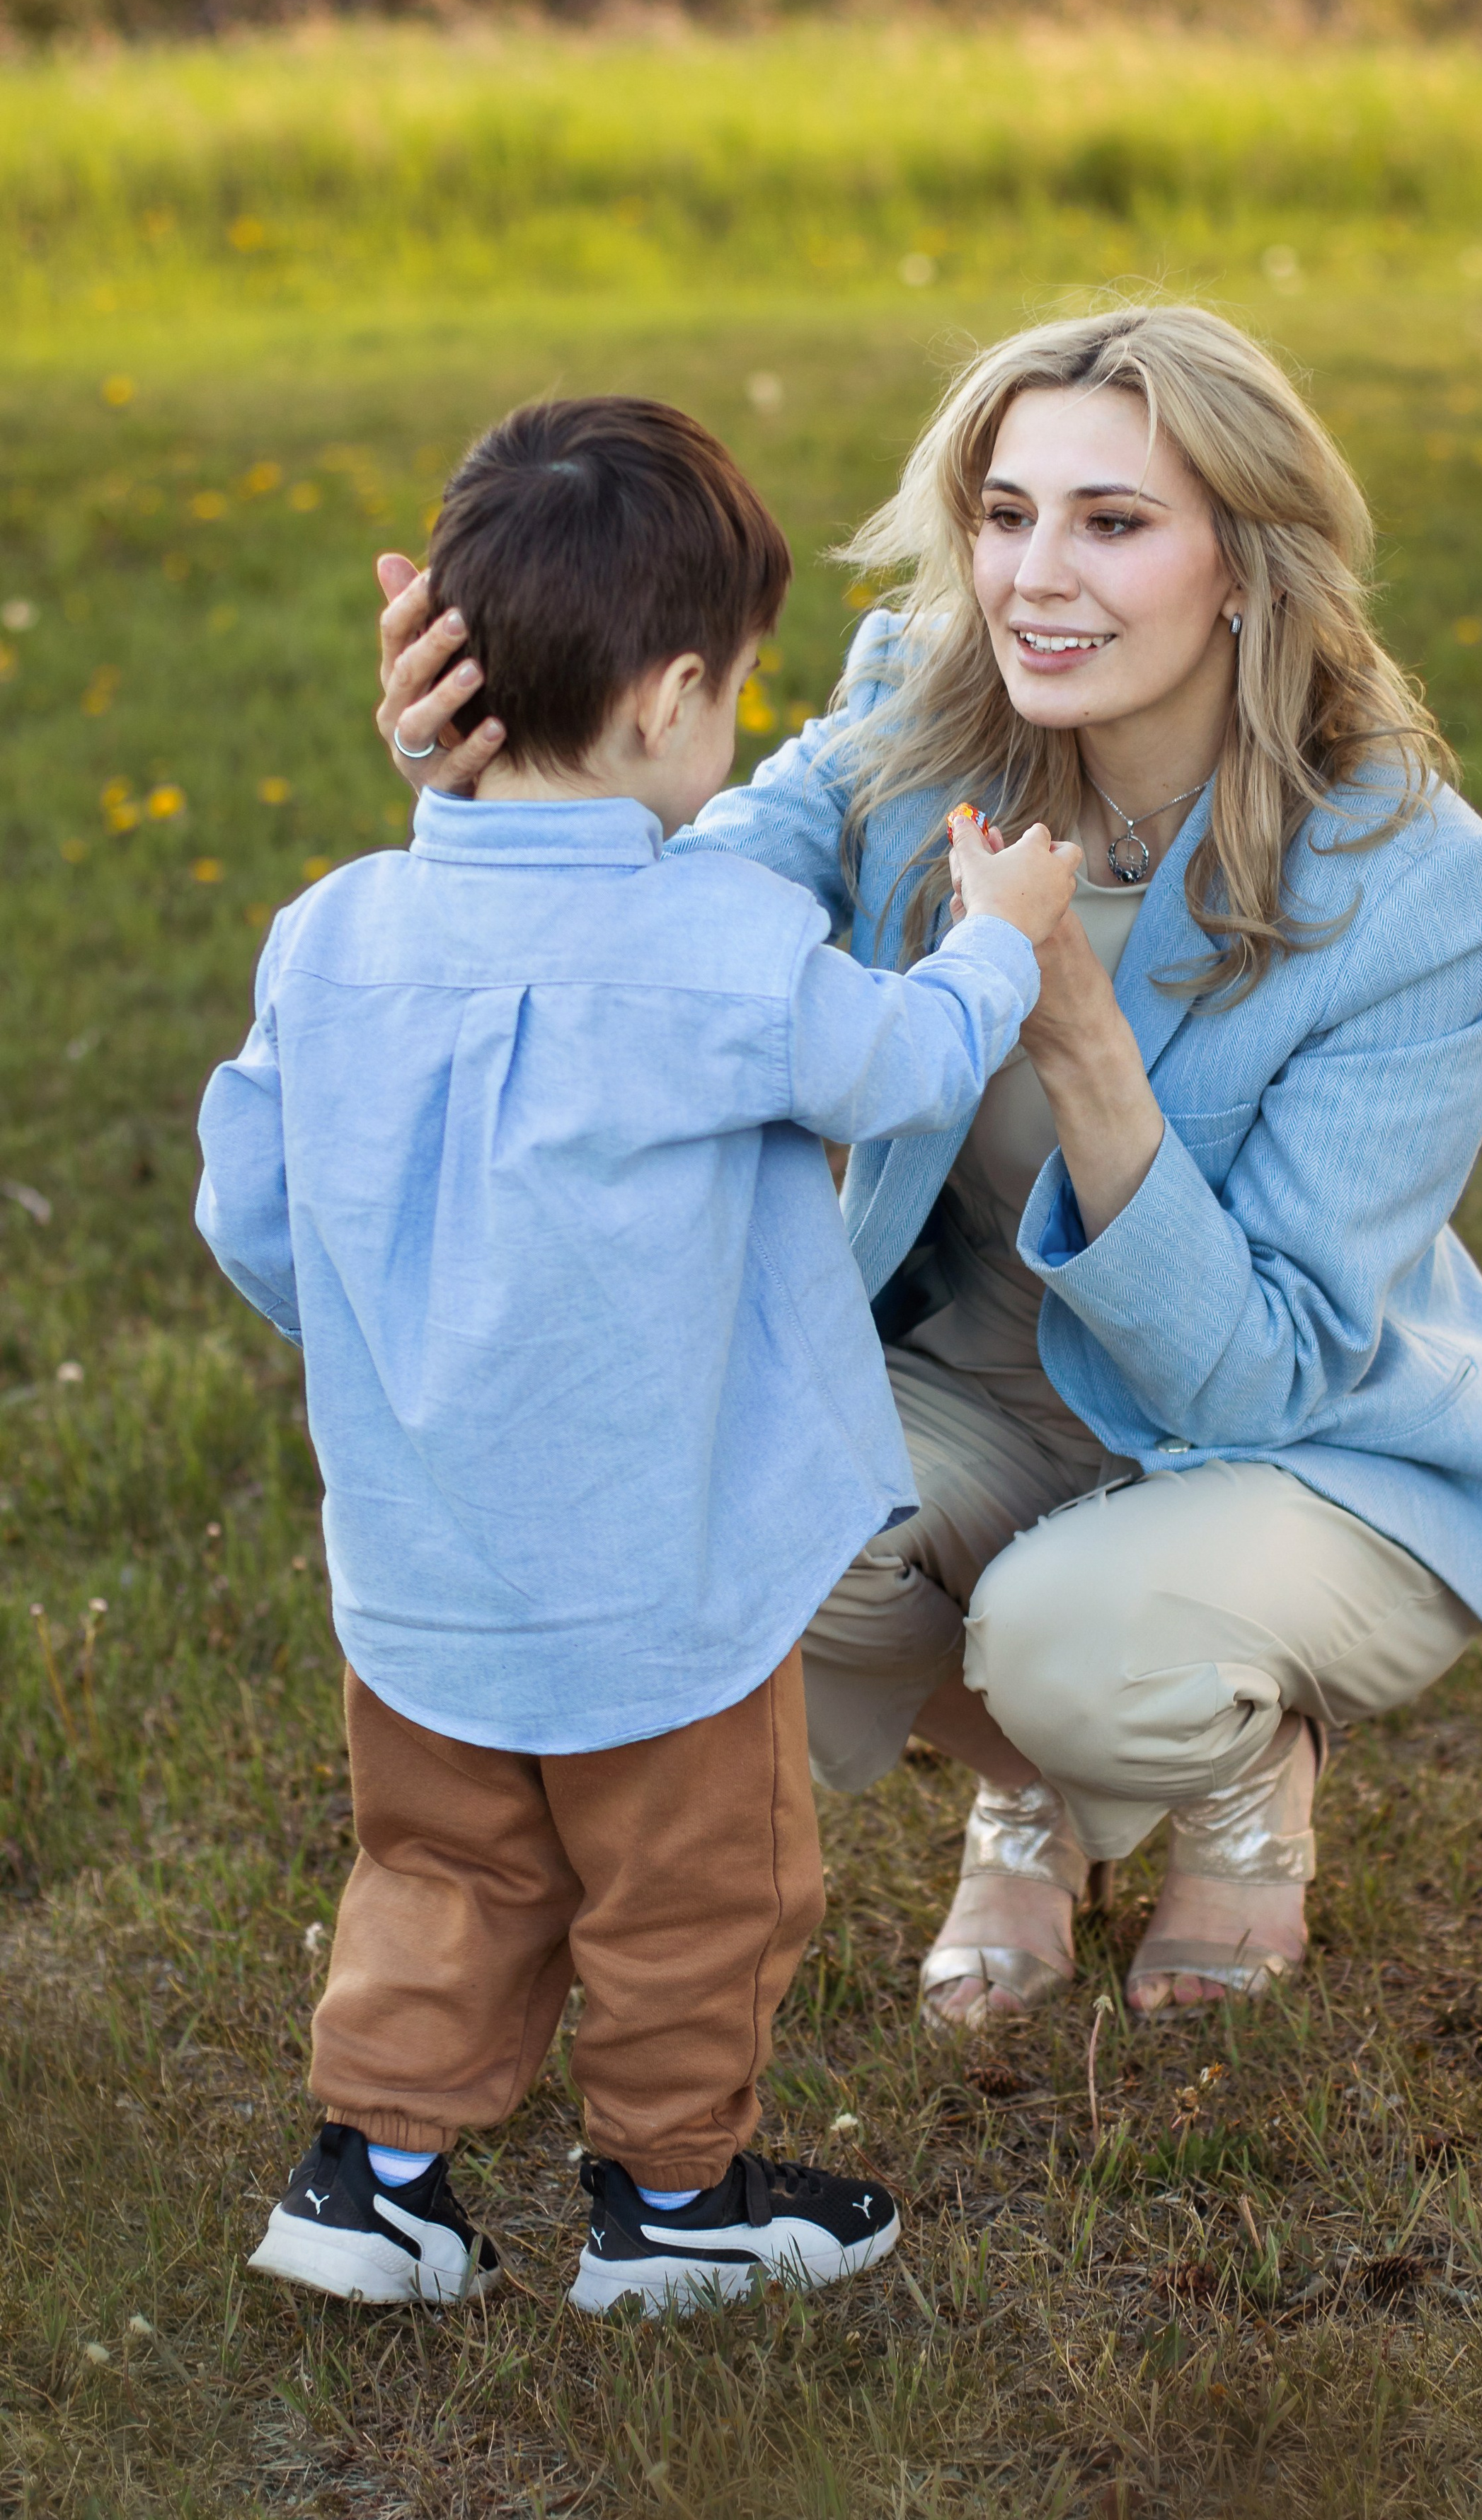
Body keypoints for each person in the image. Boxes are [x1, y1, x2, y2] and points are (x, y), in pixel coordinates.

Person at [373, 303, 1482, 2037]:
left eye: (1112, 522)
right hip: (975, 1392)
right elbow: (690, 921)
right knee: (710, 1520)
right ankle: (1039, 1780)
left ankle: (1234, 1777)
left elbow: (1259, 1371)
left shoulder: (1423, 894)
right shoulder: (913, 698)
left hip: (1298, 1445)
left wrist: (1078, 1040)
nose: (1032, 578)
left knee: (1076, 1633)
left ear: (1244, 563)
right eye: (1005, 515)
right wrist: (493, 804)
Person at [195, 393, 1081, 2312]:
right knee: (697, 1893)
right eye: (745, 691)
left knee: (443, 1870)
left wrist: (403, 1357)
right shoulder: (718, 946)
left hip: (424, 1577)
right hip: (666, 1577)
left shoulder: (329, 934)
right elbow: (910, 1059)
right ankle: (676, 2203)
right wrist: (1001, 933)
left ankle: (375, 2182)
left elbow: (251, 1213)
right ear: (679, 699)